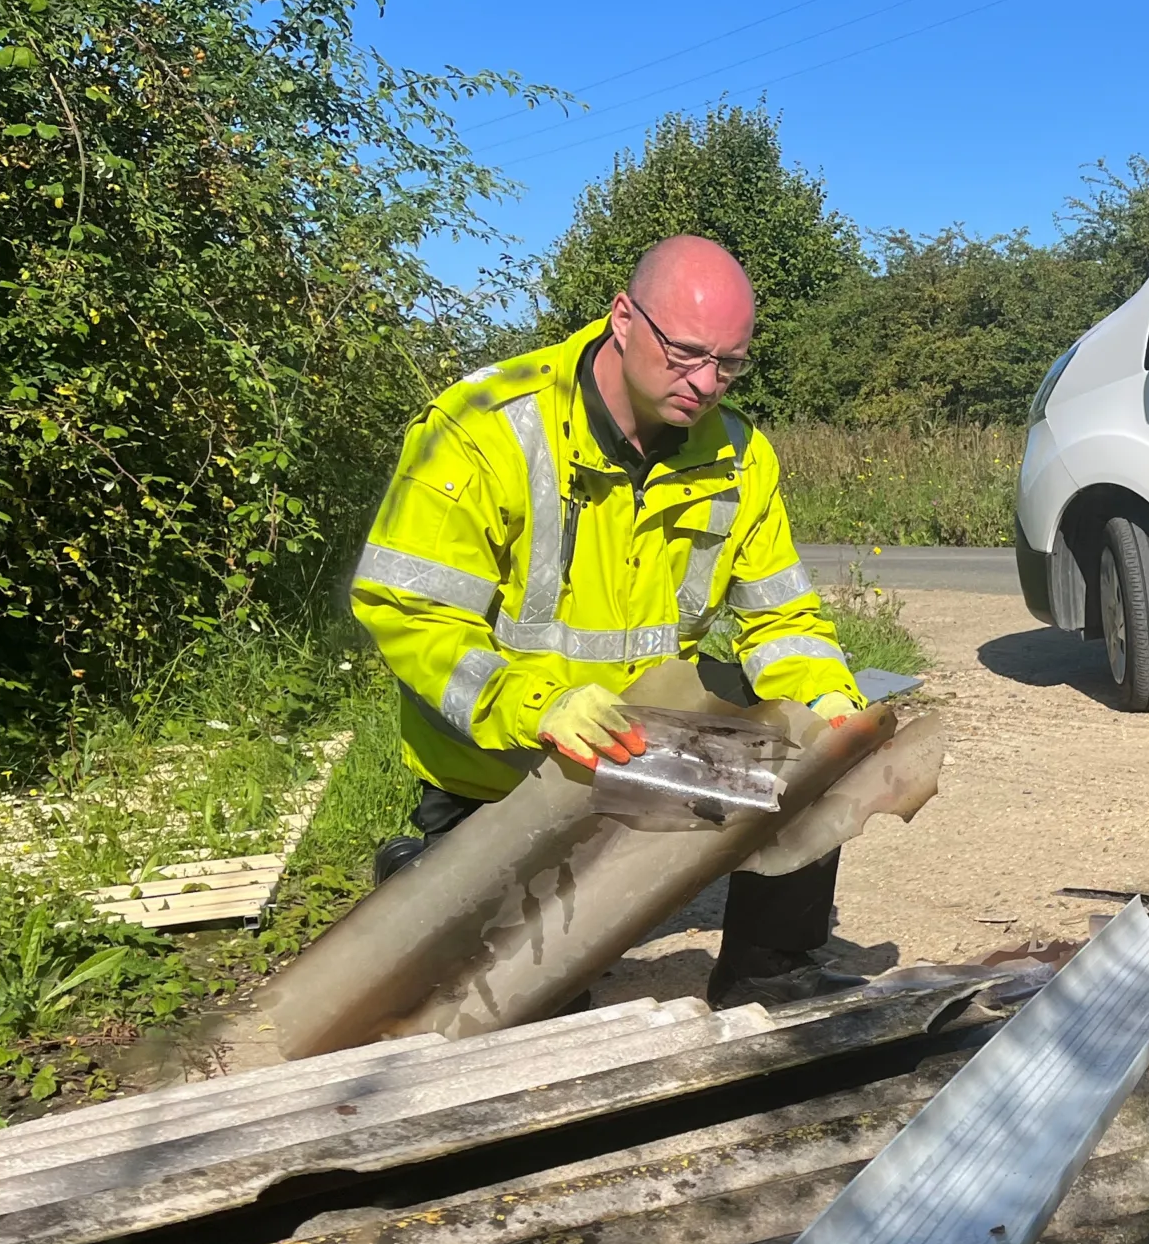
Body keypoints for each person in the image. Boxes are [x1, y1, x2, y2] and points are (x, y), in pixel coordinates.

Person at [353, 235, 866, 1007]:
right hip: (508, 770)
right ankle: (427, 874)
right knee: (539, 1014)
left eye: (728, 365)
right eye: (687, 353)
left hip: (644, 753)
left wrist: (829, 702)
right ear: (624, 318)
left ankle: (771, 975)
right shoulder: (487, 424)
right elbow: (409, 610)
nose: (704, 383)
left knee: (818, 743)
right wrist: (539, 704)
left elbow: (782, 619)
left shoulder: (738, 454)